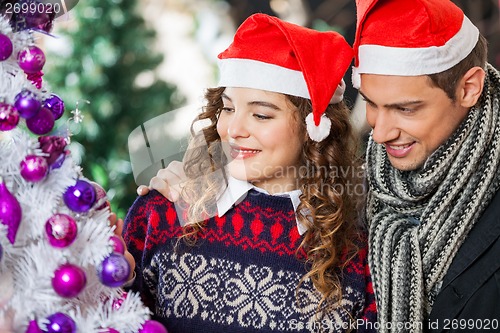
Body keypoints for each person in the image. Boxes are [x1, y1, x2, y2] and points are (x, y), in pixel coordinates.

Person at [139, 0, 500, 332]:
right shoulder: (373, 202)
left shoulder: (354, 244)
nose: (380, 132)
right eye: (373, 104)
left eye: (405, 108)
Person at [124, 13, 377, 333]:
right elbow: (106, 316)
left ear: (313, 128)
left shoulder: (357, 249)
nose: (233, 129)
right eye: (228, 108)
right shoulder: (162, 211)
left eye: (260, 115)